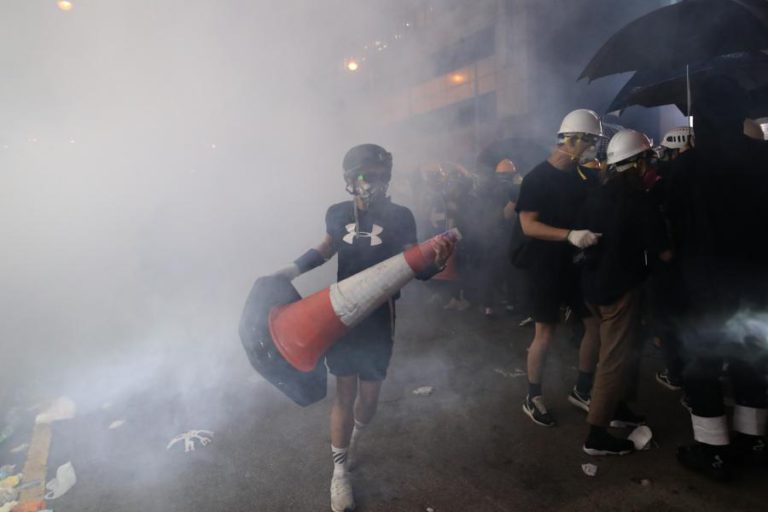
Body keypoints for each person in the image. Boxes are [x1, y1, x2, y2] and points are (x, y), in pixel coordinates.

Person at [276, 144, 453, 511]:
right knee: (343, 391)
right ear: (348, 179)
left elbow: (413, 262)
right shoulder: (337, 213)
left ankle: (356, 436)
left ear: (387, 178)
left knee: (368, 399)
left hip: (378, 315)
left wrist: (435, 264)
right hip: (339, 312)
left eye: (377, 175)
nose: (369, 183)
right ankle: (339, 472)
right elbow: (325, 248)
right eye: (362, 175)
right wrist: (291, 270)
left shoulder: (401, 215)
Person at [664, 79, 768, 481]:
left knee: (702, 364)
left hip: (703, 286)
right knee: (752, 358)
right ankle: (754, 440)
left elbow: (670, 226)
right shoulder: (763, 157)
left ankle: (713, 450)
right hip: (757, 282)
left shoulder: (686, 168)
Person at [579, 129, 670, 455]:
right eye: (648, 160)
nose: (651, 167)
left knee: (620, 352)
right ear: (637, 163)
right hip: (620, 288)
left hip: (592, 284)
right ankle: (596, 435)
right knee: (613, 360)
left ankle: (618, 409)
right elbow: (663, 251)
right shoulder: (639, 200)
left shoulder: (596, 193)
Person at [515, 109, 604, 427]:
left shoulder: (585, 176)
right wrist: (569, 235)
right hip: (547, 265)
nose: (594, 147)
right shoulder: (537, 178)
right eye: (591, 140)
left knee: (594, 325)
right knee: (546, 332)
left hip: (577, 265)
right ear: (573, 140)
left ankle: (582, 388)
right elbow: (528, 225)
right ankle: (533, 394)